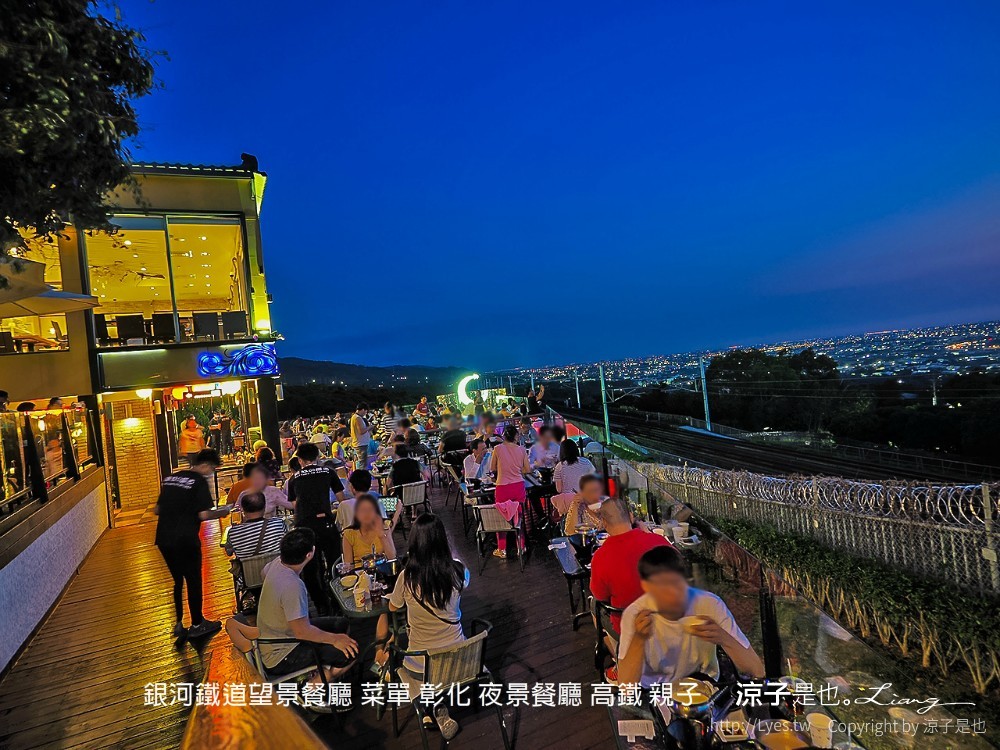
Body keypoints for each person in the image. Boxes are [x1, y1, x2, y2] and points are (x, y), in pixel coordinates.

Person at [375, 514, 468, 738]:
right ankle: (435, 708)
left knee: (398, 649)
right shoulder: (458, 570)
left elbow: (395, 607)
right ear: (443, 540)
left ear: (414, 543)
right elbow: (463, 583)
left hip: (421, 666)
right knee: (439, 660)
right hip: (461, 659)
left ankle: (431, 708)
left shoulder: (407, 577)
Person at [617, 546, 764, 687]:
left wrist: (723, 637)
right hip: (655, 690)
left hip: (702, 684)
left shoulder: (709, 605)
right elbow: (625, 686)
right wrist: (639, 639)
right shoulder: (636, 615)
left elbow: (756, 669)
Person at [256, 528, 358, 680]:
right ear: (309, 555)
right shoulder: (292, 585)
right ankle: (314, 687)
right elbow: (302, 632)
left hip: (281, 634)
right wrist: (335, 639)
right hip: (282, 654)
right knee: (350, 652)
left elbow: (263, 573)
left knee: (340, 624)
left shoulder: (277, 563)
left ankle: (323, 675)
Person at [154, 448, 230, 638]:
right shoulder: (198, 482)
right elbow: (204, 514)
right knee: (194, 580)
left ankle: (179, 622)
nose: (211, 472)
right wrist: (223, 512)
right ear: (205, 465)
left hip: (164, 538)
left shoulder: (171, 478)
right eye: (212, 468)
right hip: (186, 539)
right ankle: (197, 624)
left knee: (177, 581)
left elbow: (157, 509)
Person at [589, 497, 671, 633]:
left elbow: (600, 596)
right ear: (631, 517)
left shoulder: (600, 557)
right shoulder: (658, 541)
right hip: (665, 621)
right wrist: (648, 534)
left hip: (629, 628)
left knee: (593, 604)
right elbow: (679, 569)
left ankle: (617, 650)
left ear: (604, 522)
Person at [287, 442, 346, 614]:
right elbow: (341, 498)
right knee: (335, 560)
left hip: (305, 525)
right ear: (318, 457)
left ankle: (321, 604)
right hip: (326, 522)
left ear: (299, 460)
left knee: (312, 567)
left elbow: (294, 504)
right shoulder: (328, 472)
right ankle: (338, 599)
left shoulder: (294, 478)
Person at [488, 424, 530, 559]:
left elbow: (492, 468)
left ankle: (502, 549)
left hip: (502, 487)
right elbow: (527, 470)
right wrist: (517, 470)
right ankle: (521, 547)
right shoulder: (522, 450)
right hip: (518, 486)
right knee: (520, 517)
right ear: (516, 436)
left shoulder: (497, 449)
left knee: (501, 517)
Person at [342, 493, 399, 568]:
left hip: (382, 573)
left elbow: (392, 558)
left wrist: (381, 536)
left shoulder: (384, 526)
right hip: (359, 574)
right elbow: (349, 566)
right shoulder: (349, 534)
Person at [225, 491, 287, 559]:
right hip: (275, 567)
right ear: (264, 507)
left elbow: (229, 552)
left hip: (248, 569)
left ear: (243, 510)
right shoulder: (278, 524)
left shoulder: (233, 532)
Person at [350, 403, 372, 470]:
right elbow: (361, 431)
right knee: (362, 465)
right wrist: (370, 427)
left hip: (359, 443)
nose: (365, 413)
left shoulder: (355, 417)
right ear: (362, 409)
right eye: (365, 411)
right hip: (360, 444)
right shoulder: (357, 418)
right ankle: (362, 478)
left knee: (361, 463)